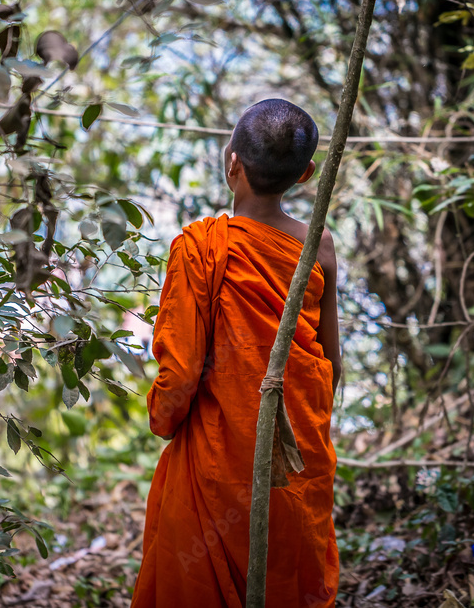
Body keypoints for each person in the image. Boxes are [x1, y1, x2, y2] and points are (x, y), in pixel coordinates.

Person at [131, 99, 342, 608]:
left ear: (232, 163)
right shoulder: (320, 246)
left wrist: (163, 420)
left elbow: (179, 374)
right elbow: (328, 366)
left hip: (212, 467)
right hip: (291, 463)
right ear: (307, 173)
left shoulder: (199, 247)